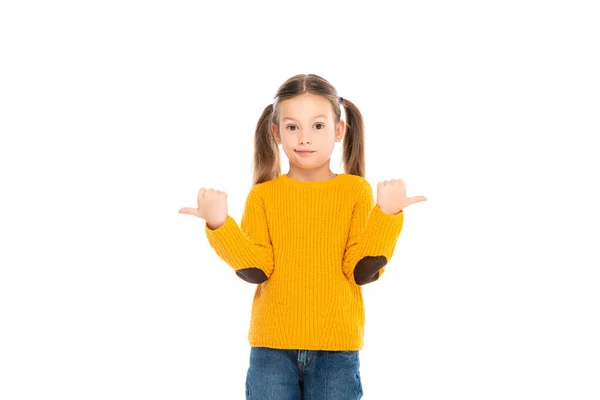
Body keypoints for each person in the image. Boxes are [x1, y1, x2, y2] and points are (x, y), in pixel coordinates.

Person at [178, 73, 427, 399]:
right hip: (271, 352)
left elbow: (362, 270)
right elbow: (256, 269)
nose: (304, 138)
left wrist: (387, 215)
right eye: (293, 126)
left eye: (318, 126)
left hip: (336, 353)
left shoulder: (355, 192)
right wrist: (219, 224)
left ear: (339, 130)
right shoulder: (263, 196)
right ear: (276, 132)